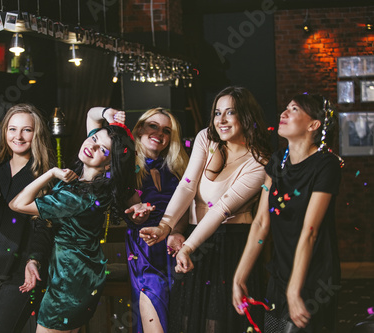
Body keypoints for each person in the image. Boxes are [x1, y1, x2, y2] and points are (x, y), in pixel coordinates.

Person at [140, 86, 272, 332]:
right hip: (195, 240)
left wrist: (188, 247)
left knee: (218, 325)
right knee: (189, 321)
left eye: (230, 112)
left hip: (228, 246)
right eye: (217, 112)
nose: (221, 120)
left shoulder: (260, 162)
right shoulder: (206, 138)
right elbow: (187, 186)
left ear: (246, 116)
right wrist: (164, 226)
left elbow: (221, 209)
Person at [9, 107, 137, 332]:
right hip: (82, 276)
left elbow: (17, 204)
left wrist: (50, 173)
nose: (92, 146)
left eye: (103, 150)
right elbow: (90, 114)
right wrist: (107, 114)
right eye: (93, 138)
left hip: (68, 282)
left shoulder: (78, 196)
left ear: (109, 164)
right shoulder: (97, 186)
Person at [232, 94, 344, 333]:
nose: (283, 113)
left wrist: (295, 289)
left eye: (294, 109)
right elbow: (261, 222)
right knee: (273, 329)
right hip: (281, 273)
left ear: (314, 124)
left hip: (314, 276)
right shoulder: (277, 161)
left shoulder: (326, 165)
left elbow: (310, 230)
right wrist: (239, 277)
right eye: (285, 108)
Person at [0, 104, 55, 332]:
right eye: (12, 129)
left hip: (23, 270)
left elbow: (45, 226)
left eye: (26, 130)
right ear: (4, 131)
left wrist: (34, 259)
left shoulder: (43, 174)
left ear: (36, 134)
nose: (18, 136)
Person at [122, 107, 189, 333]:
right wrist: (139, 216)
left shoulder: (176, 167)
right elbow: (131, 212)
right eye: (153, 126)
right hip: (145, 247)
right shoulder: (127, 164)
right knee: (154, 304)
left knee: (179, 315)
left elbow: (184, 209)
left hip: (174, 246)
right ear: (140, 128)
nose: (159, 133)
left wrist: (177, 233)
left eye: (166, 130)